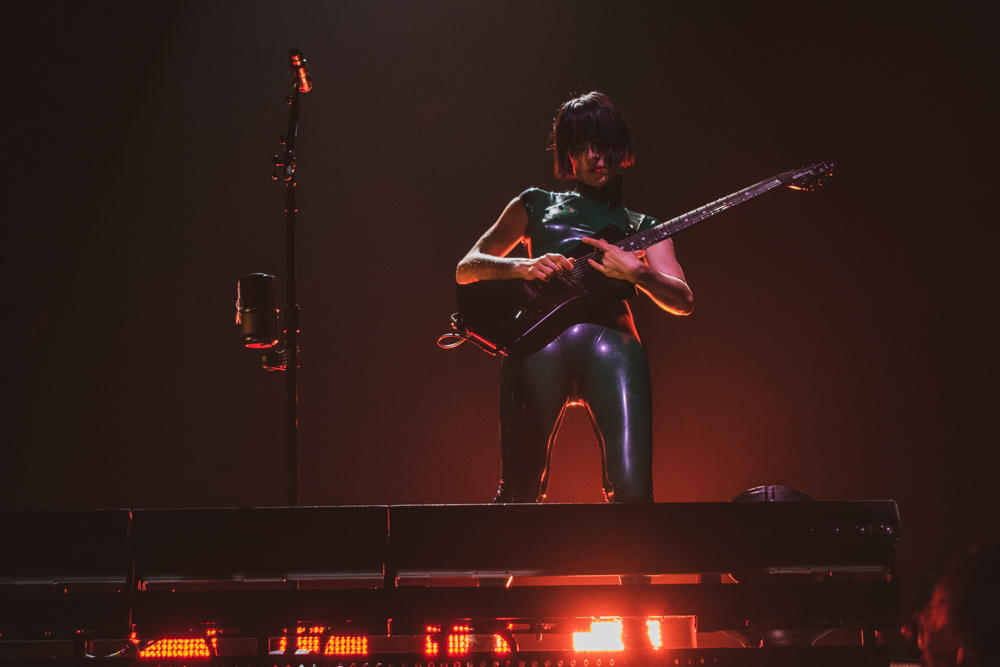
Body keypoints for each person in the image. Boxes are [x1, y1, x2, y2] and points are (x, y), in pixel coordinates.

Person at [456, 91, 694, 504]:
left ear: (619, 146)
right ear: (568, 154)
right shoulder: (535, 204)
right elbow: (467, 267)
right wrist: (523, 266)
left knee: (635, 494)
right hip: (537, 345)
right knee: (518, 491)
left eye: (601, 145)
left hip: (614, 350)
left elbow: (683, 299)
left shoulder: (642, 225)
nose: (593, 157)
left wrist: (639, 273)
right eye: (581, 148)